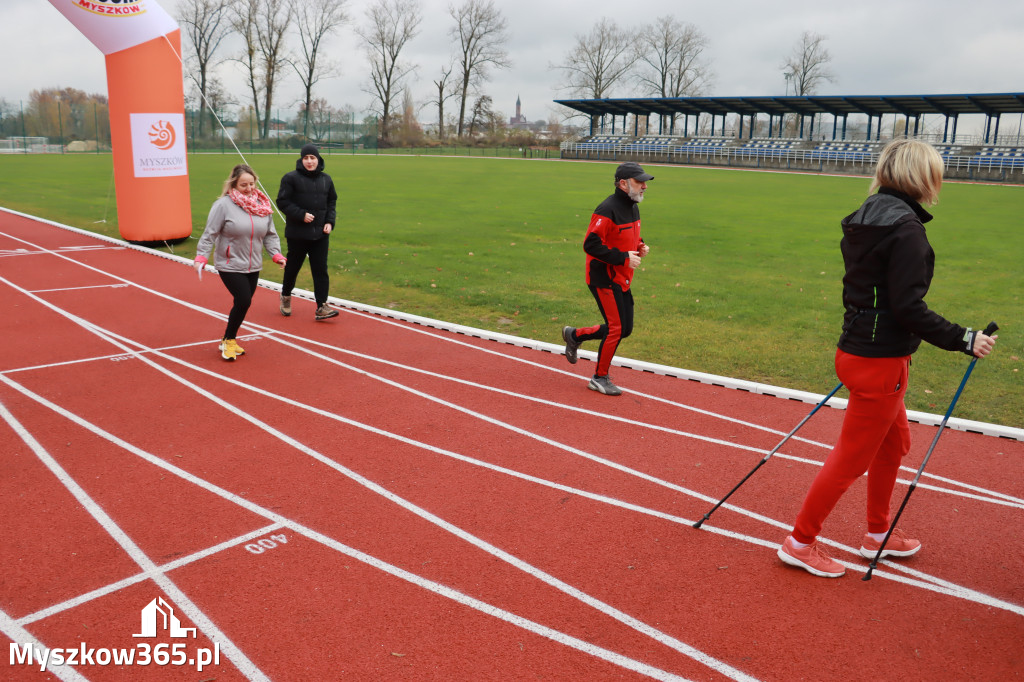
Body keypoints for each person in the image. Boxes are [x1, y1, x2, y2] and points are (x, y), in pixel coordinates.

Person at [778, 139, 997, 578]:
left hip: (861, 351)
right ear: (922, 177)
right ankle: (800, 542)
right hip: (877, 361)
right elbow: (908, 309)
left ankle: (878, 534)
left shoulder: (866, 216)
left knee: (895, 444)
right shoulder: (906, 230)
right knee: (852, 458)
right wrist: (964, 338)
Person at [561, 161, 653, 396]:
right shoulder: (607, 209)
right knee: (616, 328)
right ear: (623, 183)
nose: (644, 186)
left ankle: (575, 335)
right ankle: (599, 378)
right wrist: (623, 258)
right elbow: (590, 245)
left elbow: (627, 236)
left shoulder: (633, 206)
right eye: (639, 182)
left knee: (625, 329)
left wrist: (639, 246)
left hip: (622, 277)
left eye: (644, 182)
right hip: (603, 277)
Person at [194, 164, 286, 361]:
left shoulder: (262, 205)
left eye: (252, 184)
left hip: (253, 263)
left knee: (243, 303)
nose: (249, 188)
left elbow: (270, 234)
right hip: (229, 262)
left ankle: (229, 339)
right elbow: (210, 233)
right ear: (234, 184)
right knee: (244, 299)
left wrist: (276, 254)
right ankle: (228, 341)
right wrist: (201, 255)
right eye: (244, 184)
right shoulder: (223, 205)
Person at [277, 143, 339, 321]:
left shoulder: (326, 179)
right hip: (297, 234)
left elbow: (331, 202)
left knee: (320, 269)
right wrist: (301, 215)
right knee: (293, 268)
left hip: (320, 234)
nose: (310, 161)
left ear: (318, 159)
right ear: (301, 159)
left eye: (313, 158)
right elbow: (282, 201)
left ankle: (322, 306)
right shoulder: (290, 178)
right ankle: (286, 296)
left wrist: (329, 222)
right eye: (306, 158)